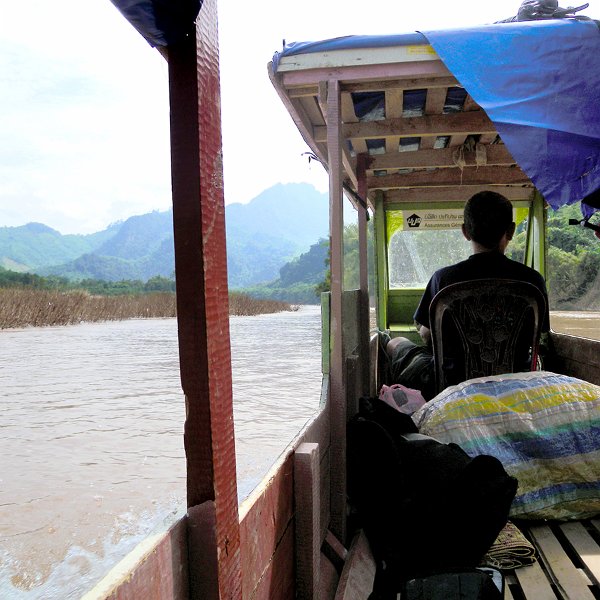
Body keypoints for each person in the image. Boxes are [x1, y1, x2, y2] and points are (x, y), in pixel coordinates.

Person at [385, 190, 550, 400]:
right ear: (510, 231)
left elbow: (427, 336)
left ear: (465, 232)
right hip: (515, 382)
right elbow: (539, 334)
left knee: (394, 343)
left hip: (449, 383)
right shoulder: (532, 281)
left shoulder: (443, 279)